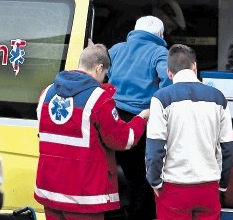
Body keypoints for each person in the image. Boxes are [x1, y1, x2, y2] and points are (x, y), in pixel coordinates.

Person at [34, 43, 149, 220]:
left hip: (50, 190)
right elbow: (122, 139)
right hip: (83, 195)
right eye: (104, 74)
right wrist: (141, 119)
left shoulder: (46, 93)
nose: (104, 79)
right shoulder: (99, 99)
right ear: (99, 67)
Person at [146, 44, 233, 220]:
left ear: (169, 73)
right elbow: (227, 148)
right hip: (208, 187)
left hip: (173, 188)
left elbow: (155, 147)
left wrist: (154, 181)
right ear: (194, 66)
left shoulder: (161, 98)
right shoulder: (218, 98)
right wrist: (222, 184)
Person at [108, 15, 171, 220]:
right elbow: (168, 82)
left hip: (114, 117)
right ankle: (137, 215)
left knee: (113, 171)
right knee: (141, 176)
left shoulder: (117, 49)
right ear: (160, 35)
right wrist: (159, 105)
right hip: (141, 120)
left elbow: (100, 73)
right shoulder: (160, 52)